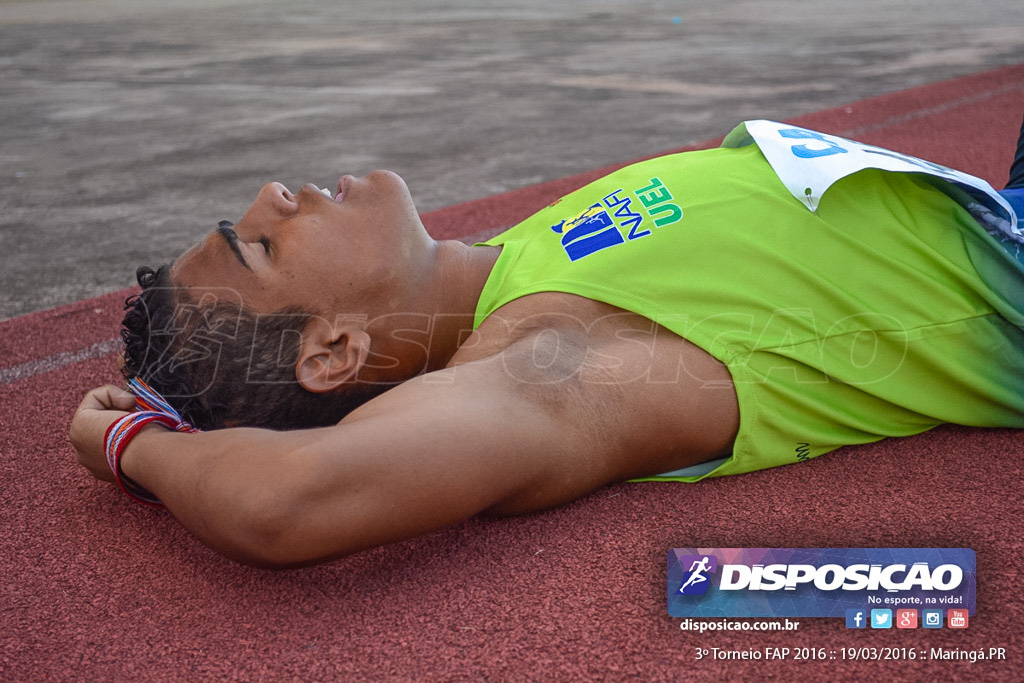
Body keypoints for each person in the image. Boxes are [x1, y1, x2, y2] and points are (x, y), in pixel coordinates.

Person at [70, 118, 1024, 569]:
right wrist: (134, 448)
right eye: (264, 245)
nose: (276, 192)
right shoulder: (546, 356)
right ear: (332, 353)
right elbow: (287, 499)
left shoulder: (505, 266)